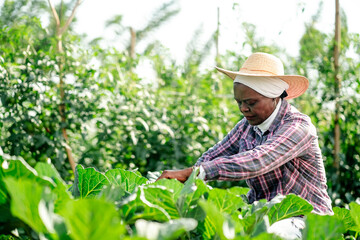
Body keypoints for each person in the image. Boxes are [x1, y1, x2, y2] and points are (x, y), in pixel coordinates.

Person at [156, 52, 333, 239]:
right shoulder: (246, 127)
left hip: (306, 219)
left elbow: (258, 160)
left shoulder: (298, 127)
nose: (243, 109)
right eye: (239, 102)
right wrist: (189, 180)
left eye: (251, 102)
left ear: (274, 96)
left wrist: (199, 172)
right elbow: (213, 156)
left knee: (271, 234)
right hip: (262, 214)